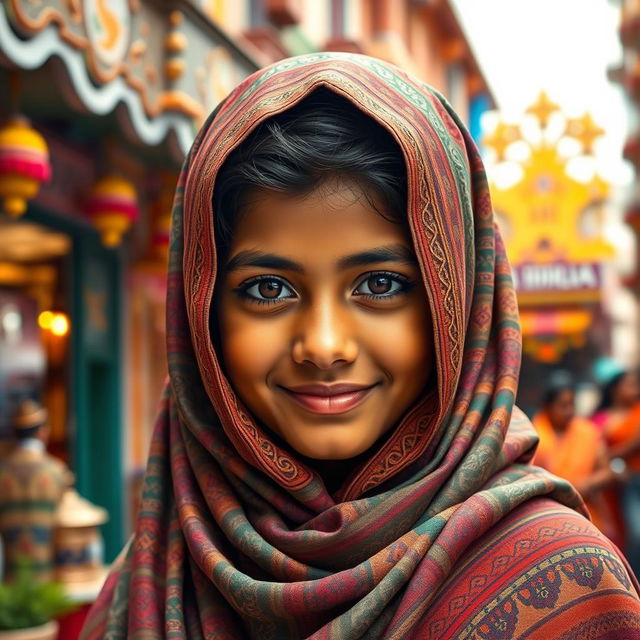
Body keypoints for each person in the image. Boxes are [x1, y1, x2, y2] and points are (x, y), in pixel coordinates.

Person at [81, 53, 640, 639]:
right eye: (268, 289)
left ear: (454, 310)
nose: (323, 347)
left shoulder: (564, 583)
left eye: (380, 285)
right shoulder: (159, 566)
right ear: (203, 314)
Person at [533, 380, 624, 542]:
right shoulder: (533, 436)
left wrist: (587, 484)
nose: (569, 411)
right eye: (563, 406)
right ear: (548, 407)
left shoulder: (587, 432)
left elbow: (607, 472)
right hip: (547, 517)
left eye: (572, 405)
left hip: (586, 512)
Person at [0, 398, 72, 582]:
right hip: (48, 580)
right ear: (42, 432)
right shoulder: (58, 472)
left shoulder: (3, 471)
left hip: (10, 579)